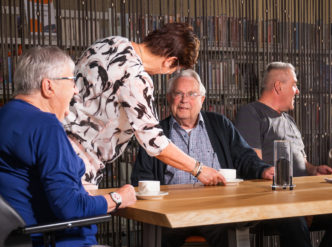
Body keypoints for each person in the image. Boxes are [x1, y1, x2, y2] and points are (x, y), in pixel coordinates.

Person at [0, 46, 157, 247]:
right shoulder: (45, 126)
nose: (75, 92)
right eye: (71, 81)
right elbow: (70, 209)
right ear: (48, 86)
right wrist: (117, 198)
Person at [131, 69, 274, 247]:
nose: (184, 100)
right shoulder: (156, 134)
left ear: (202, 99)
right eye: (178, 94)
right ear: (168, 98)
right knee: (159, 240)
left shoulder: (219, 125)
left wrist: (263, 171)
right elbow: (140, 178)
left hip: (215, 211)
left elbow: (245, 157)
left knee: (231, 232)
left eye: (191, 94)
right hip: (172, 214)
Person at [235, 62, 332, 247]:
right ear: (278, 86)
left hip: (304, 196)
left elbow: (301, 161)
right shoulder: (251, 113)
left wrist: (314, 169)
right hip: (273, 201)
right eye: (294, 85)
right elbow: (251, 163)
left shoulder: (290, 120)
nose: (297, 90)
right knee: (292, 219)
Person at [65, 22, 225, 190]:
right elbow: (154, 142)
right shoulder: (136, 78)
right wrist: (199, 169)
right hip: (78, 164)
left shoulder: (111, 43)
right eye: (175, 70)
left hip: (55, 143)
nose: (170, 74)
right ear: (170, 61)